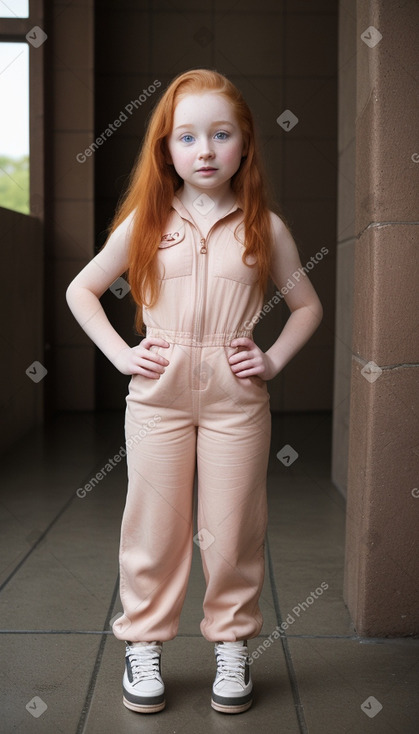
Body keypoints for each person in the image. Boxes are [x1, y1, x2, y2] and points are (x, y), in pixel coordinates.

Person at [66, 68, 323, 716]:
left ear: (244, 145)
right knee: (152, 529)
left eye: (220, 134)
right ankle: (144, 642)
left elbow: (306, 307)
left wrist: (270, 359)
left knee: (231, 529)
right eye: (187, 137)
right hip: (159, 400)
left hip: (237, 403)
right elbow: (82, 290)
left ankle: (232, 646)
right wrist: (123, 354)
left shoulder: (266, 227)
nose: (204, 150)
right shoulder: (145, 221)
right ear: (166, 148)